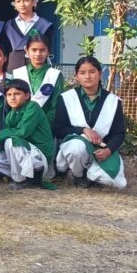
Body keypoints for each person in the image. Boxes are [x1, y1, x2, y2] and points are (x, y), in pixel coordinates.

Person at [54, 56, 126, 189]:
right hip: (77, 148)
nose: (87, 76)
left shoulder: (112, 101)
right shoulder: (67, 98)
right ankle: (78, 175)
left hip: (101, 151)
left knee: (114, 183)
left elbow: (119, 133)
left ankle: (91, 175)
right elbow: (59, 129)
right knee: (76, 147)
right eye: (82, 73)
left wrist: (109, 150)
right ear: (77, 76)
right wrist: (83, 130)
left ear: (100, 74)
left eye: (92, 72)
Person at [0, 79, 54, 190]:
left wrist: (0, 134)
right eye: (9, 94)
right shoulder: (11, 115)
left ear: (27, 96)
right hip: (25, 153)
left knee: (11, 141)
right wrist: (0, 138)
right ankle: (30, 178)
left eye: (17, 94)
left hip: (40, 155)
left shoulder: (32, 107)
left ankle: (20, 180)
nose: (12, 98)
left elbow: (22, 132)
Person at [12, 33, 63, 125]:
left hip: (44, 126)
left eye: (42, 50)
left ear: (48, 52)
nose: (38, 54)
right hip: (19, 125)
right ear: (27, 51)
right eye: (34, 50)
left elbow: (55, 107)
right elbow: (12, 103)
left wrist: (41, 126)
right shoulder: (18, 73)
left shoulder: (55, 75)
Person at [4, 0, 54, 71]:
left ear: (33, 2)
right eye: (18, 1)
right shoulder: (8, 25)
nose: (22, 4)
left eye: (26, 1)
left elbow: (47, 49)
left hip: (37, 68)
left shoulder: (45, 25)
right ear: (14, 4)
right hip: (13, 68)